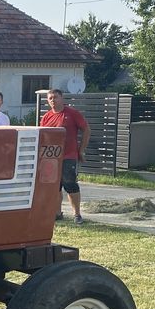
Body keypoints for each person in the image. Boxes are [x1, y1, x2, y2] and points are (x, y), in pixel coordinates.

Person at [40, 88, 91, 224]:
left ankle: (77, 214)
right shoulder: (46, 117)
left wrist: (81, 150)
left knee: (70, 183)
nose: (53, 100)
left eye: (55, 97)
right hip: (51, 157)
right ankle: (57, 213)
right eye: (50, 98)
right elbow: (42, 137)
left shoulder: (72, 113)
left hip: (69, 155)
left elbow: (86, 129)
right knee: (54, 186)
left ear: (62, 98)